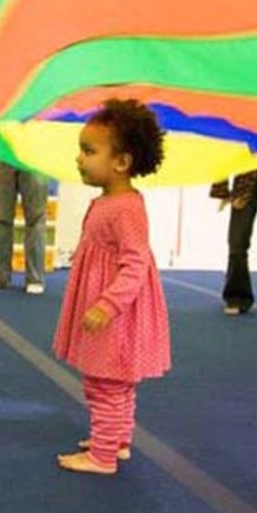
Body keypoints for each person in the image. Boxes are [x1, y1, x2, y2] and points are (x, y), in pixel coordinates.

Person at [53, 98, 170, 475]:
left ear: (121, 162)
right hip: (110, 306)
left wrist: (107, 304)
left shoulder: (126, 207)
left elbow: (135, 263)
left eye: (89, 151)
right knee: (118, 383)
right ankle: (116, 441)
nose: (79, 159)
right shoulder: (109, 201)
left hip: (116, 312)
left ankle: (101, 456)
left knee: (105, 383)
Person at [0, 158, 48, 294]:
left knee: (35, 219)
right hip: (1, 151)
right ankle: (0, 277)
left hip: (33, 153)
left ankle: (34, 279)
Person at [210, 170, 257, 315]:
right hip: (247, 180)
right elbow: (227, 149)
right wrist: (221, 188)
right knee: (237, 241)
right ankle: (237, 297)